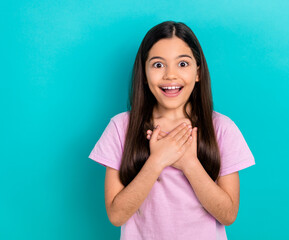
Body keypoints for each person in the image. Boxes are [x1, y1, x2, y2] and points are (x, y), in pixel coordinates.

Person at [89, 20, 255, 240]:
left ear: (198, 72)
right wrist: (157, 161)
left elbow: (228, 215)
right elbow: (116, 215)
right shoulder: (120, 128)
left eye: (183, 64)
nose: (170, 75)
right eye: (158, 65)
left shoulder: (222, 128)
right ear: (144, 74)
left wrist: (188, 162)